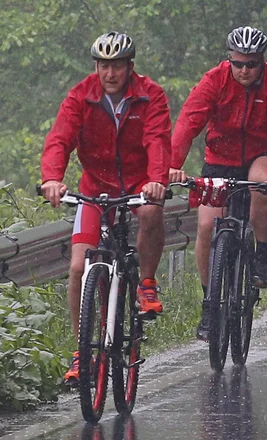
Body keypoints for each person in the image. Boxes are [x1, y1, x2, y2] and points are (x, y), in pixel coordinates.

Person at [40, 32, 171, 383]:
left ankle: (145, 282)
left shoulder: (150, 95)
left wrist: (156, 179)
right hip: (95, 189)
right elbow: (59, 139)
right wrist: (52, 178)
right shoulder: (81, 96)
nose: (109, 73)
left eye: (116, 66)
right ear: (95, 66)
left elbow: (157, 141)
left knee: (150, 211)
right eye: (103, 65)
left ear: (130, 67)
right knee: (78, 267)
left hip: (139, 184)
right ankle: (82, 352)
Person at [169, 26, 267, 340]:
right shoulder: (214, 80)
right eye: (238, 63)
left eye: (251, 64)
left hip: (260, 154)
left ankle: (261, 256)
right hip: (220, 157)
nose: (244, 70)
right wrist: (170, 166)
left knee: (262, 181)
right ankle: (210, 303)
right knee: (205, 226)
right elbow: (188, 122)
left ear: (262, 62)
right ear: (229, 60)